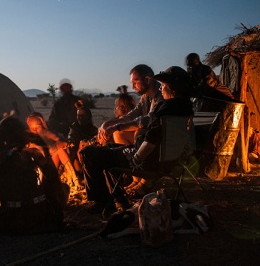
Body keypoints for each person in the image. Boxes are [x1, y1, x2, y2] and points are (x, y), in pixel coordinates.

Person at [81, 66, 195, 218]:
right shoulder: (184, 107)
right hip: (167, 160)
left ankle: (101, 202)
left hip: (148, 161)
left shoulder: (164, 109)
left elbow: (152, 139)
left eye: (164, 86)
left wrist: (136, 159)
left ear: (173, 89)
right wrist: (112, 125)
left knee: (87, 153)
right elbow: (139, 122)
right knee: (108, 148)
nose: (161, 88)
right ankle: (119, 199)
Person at [0, 116, 67, 234]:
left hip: (10, 221)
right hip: (39, 217)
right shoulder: (34, 154)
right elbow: (53, 178)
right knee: (61, 185)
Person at [26, 112, 84, 191]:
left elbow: (58, 140)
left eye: (40, 124)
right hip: (41, 167)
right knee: (59, 150)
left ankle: (75, 179)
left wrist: (45, 134)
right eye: (37, 125)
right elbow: (43, 150)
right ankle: (73, 179)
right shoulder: (29, 137)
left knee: (61, 151)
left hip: (50, 162)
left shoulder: (45, 133)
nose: (38, 127)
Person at [67, 100, 98, 177]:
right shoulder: (74, 127)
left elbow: (95, 139)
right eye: (78, 116)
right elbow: (71, 136)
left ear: (88, 117)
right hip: (76, 152)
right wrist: (71, 141)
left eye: (82, 116)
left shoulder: (93, 129)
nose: (80, 118)